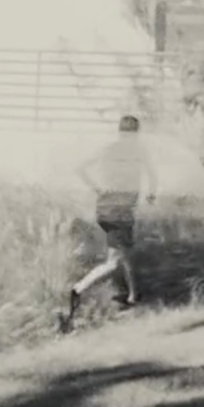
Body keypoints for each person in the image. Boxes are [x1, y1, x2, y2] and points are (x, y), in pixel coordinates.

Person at [61, 115, 158, 332]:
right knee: (117, 259)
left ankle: (133, 297)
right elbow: (152, 175)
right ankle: (81, 289)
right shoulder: (138, 151)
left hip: (105, 206)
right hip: (121, 209)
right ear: (135, 133)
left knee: (123, 255)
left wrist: (97, 189)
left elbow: (79, 169)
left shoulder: (109, 149)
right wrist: (151, 196)